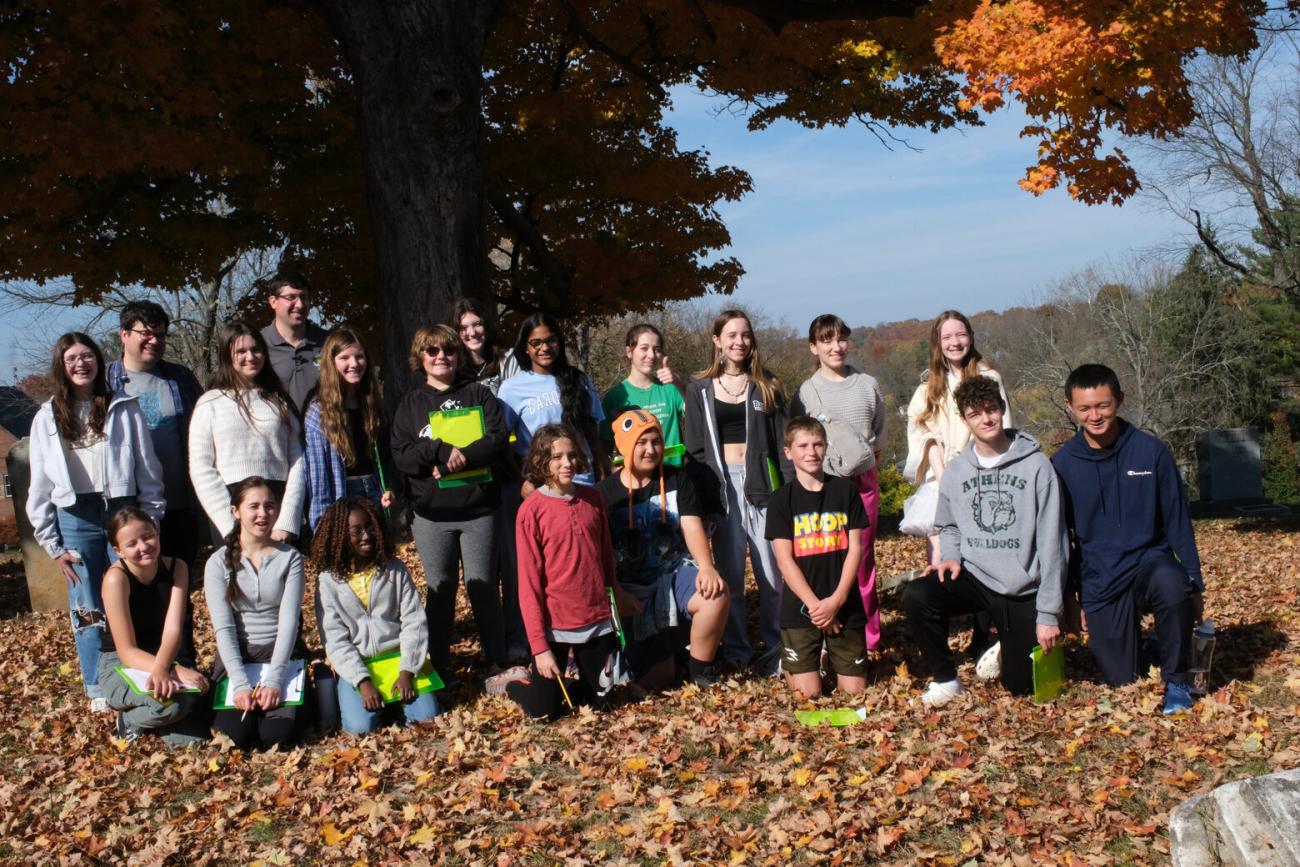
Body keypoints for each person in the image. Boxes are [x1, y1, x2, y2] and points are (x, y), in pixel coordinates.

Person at [901, 376, 1067, 707]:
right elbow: (948, 524)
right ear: (964, 420)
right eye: (975, 413)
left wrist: (1049, 614)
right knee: (917, 594)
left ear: (1003, 410)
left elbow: (1054, 544)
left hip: (1022, 587)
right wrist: (950, 556)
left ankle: (1009, 646)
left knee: (1026, 691)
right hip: (975, 576)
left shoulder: (1036, 466)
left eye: (991, 410)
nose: (986, 419)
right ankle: (947, 680)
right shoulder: (958, 470)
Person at [1051, 364, 1203, 714]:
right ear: (1071, 407)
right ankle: (1154, 649)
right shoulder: (1060, 465)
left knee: (1171, 582)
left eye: (1103, 405)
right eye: (1085, 408)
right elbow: (1061, 540)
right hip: (1100, 576)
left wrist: (1194, 583)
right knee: (1124, 679)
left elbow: (1179, 522)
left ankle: (1178, 680)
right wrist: (1072, 598)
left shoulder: (1151, 452)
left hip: (1149, 563)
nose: (1095, 416)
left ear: (1119, 400)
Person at [26, 332, 166, 712]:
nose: (81, 363)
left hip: (121, 509)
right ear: (61, 365)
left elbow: (147, 467)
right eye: (72, 358)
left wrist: (151, 518)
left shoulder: (124, 406)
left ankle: (148, 669)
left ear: (99, 362)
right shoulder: (47, 417)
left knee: (132, 591)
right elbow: (39, 483)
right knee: (88, 603)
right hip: (75, 516)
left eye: (87, 356)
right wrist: (52, 544)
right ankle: (96, 684)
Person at [390, 325, 513, 680]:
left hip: (479, 511)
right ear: (421, 358)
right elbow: (402, 454)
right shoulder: (410, 405)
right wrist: (440, 451)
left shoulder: (478, 394)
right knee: (440, 590)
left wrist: (462, 460)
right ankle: (439, 664)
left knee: (483, 587)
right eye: (432, 351)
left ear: (458, 355)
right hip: (431, 515)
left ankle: (497, 661)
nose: (441, 357)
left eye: (448, 350)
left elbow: (497, 441)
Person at [682, 309, 792, 674]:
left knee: (772, 575)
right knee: (729, 578)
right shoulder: (698, 389)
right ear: (717, 341)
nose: (739, 342)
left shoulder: (766, 385)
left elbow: (782, 445)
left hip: (760, 485)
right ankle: (737, 651)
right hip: (722, 489)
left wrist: (788, 493)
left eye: (745, 335)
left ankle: (777, 649)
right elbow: (695, 448)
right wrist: (704, 500)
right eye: (731, 335)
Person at [506, 424, 640, 719]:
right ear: (542, 461)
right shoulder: (532, 511)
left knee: (601, 706)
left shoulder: (593, 500)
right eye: (556, 457)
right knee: (545, 713)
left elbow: (605, 555)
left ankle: (570, 684)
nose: (566, 464)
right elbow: (528, 585)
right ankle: (516, 683)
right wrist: (540, 648)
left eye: (571, 455)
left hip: (595, 619)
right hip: (554, 624)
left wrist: (616, 594)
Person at [905, 310, 1011, 677]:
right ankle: (943, 646)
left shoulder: (989, 377)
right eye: (947, 336)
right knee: (943, 561)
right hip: (941, 482)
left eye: (960, 334)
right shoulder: (927, 388)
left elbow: (1002, 426)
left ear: (970, 336)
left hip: (983, 478)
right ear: (938, 342)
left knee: (983, 556)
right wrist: (940, 467)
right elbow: (919, 432)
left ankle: (985, 637)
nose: (955, 342)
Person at [598, 410, 729, 689]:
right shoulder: (603, 494)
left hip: (672, 576)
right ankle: (667, 654)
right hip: (630, 590)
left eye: (656, 441)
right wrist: (617, 593)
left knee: (715, 595)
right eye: (641, 442)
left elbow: (691, 526)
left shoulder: (677, 479)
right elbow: (601, 554)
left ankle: (700, 669)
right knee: (659, 678)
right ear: (625, 446)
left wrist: (706, 566)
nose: (650, 450)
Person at [790, 314, 887, 657]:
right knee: (825, 557)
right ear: (813, 347)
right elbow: (798, 439)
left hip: (863, 483)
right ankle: (825, 634)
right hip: (823, 487)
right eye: (827, 341)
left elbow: (879, 434)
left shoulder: (867, 384)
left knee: (862, 560)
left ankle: (868, 636)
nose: (836, 347)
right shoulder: (806, 391)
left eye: (841, 339)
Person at [312, 497, 440, 733]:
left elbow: (415, 621)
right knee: (360, 729)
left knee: (428, 720)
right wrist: (362, 682)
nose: (366, 535)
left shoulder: (395, 569)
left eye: (370, 527)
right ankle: (374, 702)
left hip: (400, 660)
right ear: (340, 535)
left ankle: (396, 703)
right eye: (356, 531)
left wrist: (407, 671)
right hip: (359, 667)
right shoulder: (327, 582)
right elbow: (335, 640)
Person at [765, 417, 871, 699]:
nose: (811, 452)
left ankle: (826, 659)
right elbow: (784, 561)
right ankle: (794, 664)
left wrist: (835, 601)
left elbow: (856, 549)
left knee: (853, 693)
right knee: (808, 695)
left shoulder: (845, 491)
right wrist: (817, 608)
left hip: (843, 603)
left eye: (817, 444)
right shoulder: (780, 500)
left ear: (826, 447)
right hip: (802, 608)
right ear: (788, 452)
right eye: (802, 446)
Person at [204, 477, 307, 750]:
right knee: (234, 737)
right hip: (238, 658)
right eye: (254, 506)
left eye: (270, 506)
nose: (263, 514)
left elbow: (289, 623)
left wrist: (274, 679)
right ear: (236, 511)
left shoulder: (290, 558)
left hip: (281, 655)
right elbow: (223, 629)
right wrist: (239, 684)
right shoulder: (217, 563)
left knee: (275, 737)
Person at [98, 508, 209, 745]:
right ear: (118, 550)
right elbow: (126, 650)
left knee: (190, 739)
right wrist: (168, 670)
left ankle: (158, 723)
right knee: (172, 708)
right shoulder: (115, 579)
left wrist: (167, 666)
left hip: (165, 657)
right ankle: (128, 721)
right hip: (122, 664)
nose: (144, 546)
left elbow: (173, 629)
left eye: (148, 536)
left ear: (157, 533)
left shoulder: (177, 567)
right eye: (132, 543)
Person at [106, 300, 205, 566]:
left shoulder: (180, 377)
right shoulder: (104, 383)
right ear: (124, 334)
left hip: (179, 506)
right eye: (145, 334)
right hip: (127, 510)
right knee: (135, 594)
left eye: (160, 335)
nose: (154, 341)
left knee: (179, 582)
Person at [188, 321, 306, 541]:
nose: (250, 357)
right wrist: (230, 525)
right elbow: (201, 468)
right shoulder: (210, 403)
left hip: (276, 505)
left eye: (256, 349)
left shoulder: (279, 400)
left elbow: (298, 461)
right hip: (231, 504)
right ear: (226, 355)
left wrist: (287, 519)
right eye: (240, 351)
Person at [498, 313, 608, 490]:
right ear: (526, 347)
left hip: (582, 480)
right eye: (536, 343)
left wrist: (601, 467)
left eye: (551, 340)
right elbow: (501, 444)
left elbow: (591, 433)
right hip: (541, 485)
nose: (545, 347)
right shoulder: (511, 389)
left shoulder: (578, 379)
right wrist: (521, 481)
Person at [302, 327, 394, 531]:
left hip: (375, 493)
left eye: (360, 357)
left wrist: (390, 488)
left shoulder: (373, 405)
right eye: (345, 358)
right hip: (342, 495)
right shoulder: (318, 412)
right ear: (332, 362)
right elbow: (318, 481)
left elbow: (387, 458)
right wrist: (322, 526)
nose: (354, 364)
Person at [601, 324, 686, 467]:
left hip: (673, 476)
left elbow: (697, 413)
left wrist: (678, 382)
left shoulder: (671, 389)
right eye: (644, 348)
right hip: (634, 481)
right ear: (629, 352)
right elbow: (604, 446)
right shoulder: (614, 397)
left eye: (657, 349)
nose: (651, 355)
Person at [260, 271, 330, 414]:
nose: (299, 304)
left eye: (304, 297)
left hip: (322, 432)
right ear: (273, 302)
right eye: (291, 297)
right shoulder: (257, 346)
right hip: (276, 434)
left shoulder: (329, 343)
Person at [450, 296, 518, 395]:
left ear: (487, 325)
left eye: (477, 324)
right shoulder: (451, 365)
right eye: (463, 328)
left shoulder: (508, 359)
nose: (472, 332)